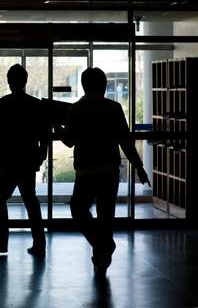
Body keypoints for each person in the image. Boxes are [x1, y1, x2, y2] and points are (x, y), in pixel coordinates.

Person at [55, 67, 150, 275]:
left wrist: (58, 131)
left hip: (85, 170)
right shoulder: (114, 108)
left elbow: (70, 142)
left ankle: (102, 247)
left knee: (78, 211)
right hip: (109, 170)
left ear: (83, 85)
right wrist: (139, 167)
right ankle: (102, 251)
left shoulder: (75, 110)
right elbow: (126, 141)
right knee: (105, 214)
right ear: (104, 85)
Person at [0, 64, 49, 257]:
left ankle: (1, 239)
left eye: (10, 80)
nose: (10, 84)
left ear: (11, 81)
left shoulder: (5, 103)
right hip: (27, 161)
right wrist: (42, 155)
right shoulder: (36, 104)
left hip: (9, 161)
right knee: (30, 201)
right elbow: (44, 133)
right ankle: (39, 243)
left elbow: (0, 133)